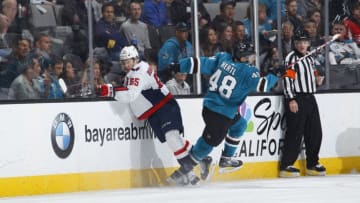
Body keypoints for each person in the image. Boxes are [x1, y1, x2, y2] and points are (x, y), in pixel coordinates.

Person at [166, 41, 288, 183]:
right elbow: (263, 85)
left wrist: (179, 65)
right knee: (207, 144)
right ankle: (181, 173)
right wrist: (275, 74)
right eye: (250, 56)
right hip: (221, 115)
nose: (252, 59)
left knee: (240, 125)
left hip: (211, 107)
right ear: (243, 57)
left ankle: (226, 159)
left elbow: (200, 63)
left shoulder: (223, 58)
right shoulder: (248, 71)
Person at [97, 45, 210, 186]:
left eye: (128, 61)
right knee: (174, 140)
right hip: (156, 111)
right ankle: (201, 161)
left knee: (172, 138)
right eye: (123, 62)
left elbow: (131, 94)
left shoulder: (138, 71)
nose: (126, 64)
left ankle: (189, 174)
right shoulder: (136, 70)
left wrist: (109, 90)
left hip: (164, 107)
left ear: (135, 59)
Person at [279, 28, 326, 178]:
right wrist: (291, 98)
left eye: (305, 42)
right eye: (299, 42)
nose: (302, 45)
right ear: (295, 43)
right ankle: (286, 165)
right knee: (295, 132)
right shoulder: (292, 58)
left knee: (315, 132)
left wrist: (318, 80)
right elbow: (287, 79)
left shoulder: (310, 57)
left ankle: (312, 163)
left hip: (310, 98)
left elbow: (314, 73)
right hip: (296, 98)